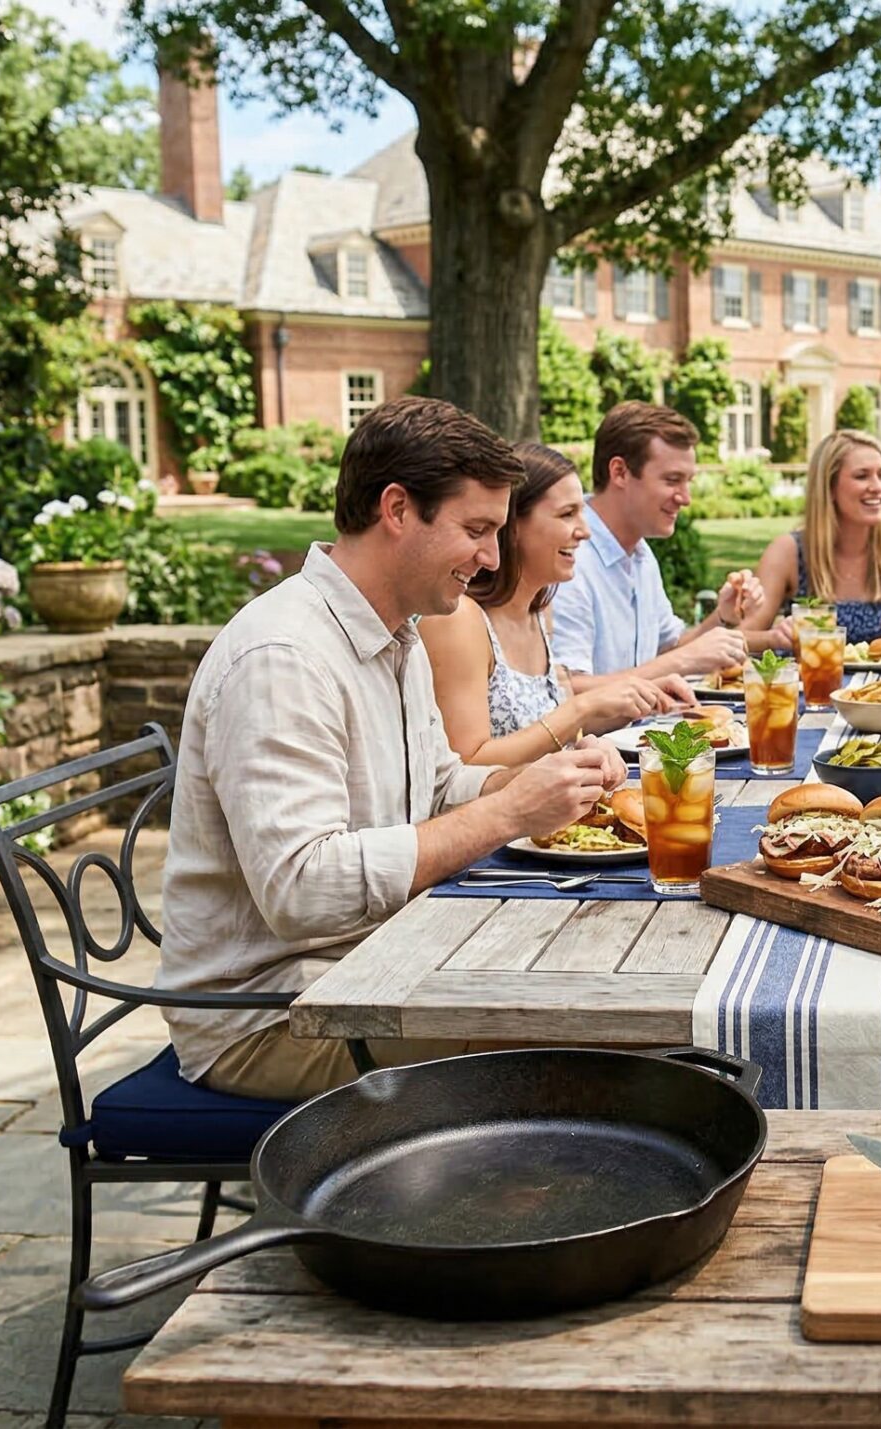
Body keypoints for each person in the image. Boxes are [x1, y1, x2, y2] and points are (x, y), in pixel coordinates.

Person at [157, 397, 625, 1100]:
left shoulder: (396, 631)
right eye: (476, 529)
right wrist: (504, 816)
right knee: (581, 1043)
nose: (492, 558)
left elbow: (438, 786)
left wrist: (535, 785)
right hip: (273, 1022)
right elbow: (303, 887)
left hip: (373, 970)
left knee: (598, 986)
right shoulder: (284, 657)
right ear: (398, 508)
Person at [419, 443, 688, 764]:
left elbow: (548, 733)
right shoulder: (459, 621)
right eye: (567, 514)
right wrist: (580, 708)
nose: (585, 532)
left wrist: (634, 696)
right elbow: (468, 762)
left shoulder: (539, 612)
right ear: (512, 524)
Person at [549, 402, 758, 685]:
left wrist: (723, 616)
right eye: (673, 480)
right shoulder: (570, 558)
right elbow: (567, 691)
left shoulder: (640, 554)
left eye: (688, 482)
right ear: (620, 472)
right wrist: (683, 661)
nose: (685, 498)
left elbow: (667, 649)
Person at [746, 428, 881, 650]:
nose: (878, 487)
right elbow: (742, 637)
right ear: (829, 488)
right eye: (862, 476)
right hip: (812, 683)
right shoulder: (790, 551)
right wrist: (774, 638)